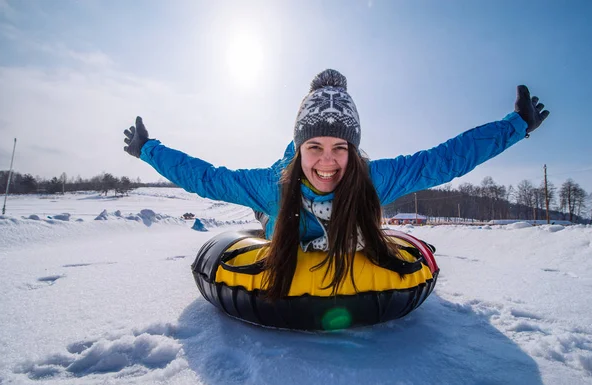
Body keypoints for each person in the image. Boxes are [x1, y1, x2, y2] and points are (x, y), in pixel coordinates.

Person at [123, 69, 549, 299]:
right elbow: (208, 178)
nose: (327, 162)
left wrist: (516, 126)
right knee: (270, 209)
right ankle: (265, 218)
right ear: (299, 148)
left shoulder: (371, 179)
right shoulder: (274, 182)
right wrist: (149, 150)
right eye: (315, 147)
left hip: (352, 242)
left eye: (340, 147)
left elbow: (443, 160)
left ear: (353, 148)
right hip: (280, 217)